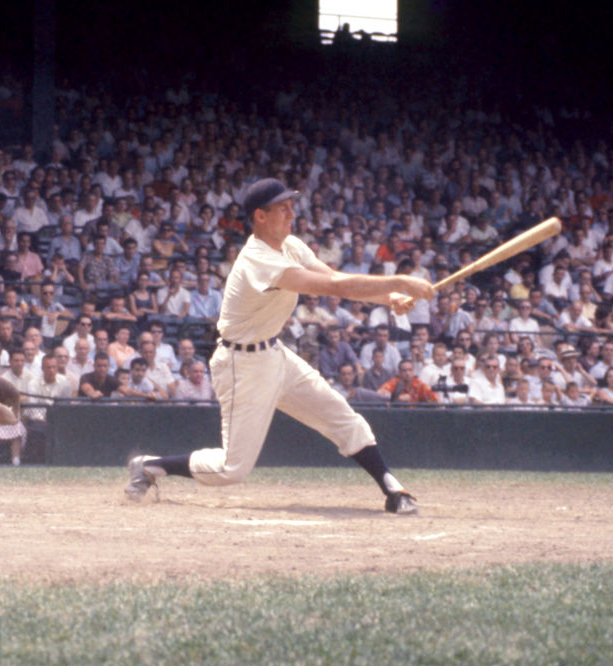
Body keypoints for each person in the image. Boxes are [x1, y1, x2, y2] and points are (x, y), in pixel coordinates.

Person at [124, 178, 434, 514]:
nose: (291, 213)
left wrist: (389, 298)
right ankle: (150, 466)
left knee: (344, 418)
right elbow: (332, 286)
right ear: (260, 216)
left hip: (274, 353)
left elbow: (335, 278)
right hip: (240, 363)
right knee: (233, 469)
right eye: (282, 208)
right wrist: (399, 281)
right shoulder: (257, 258)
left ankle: (393, 489)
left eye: (291, 205)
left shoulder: (291, 245)